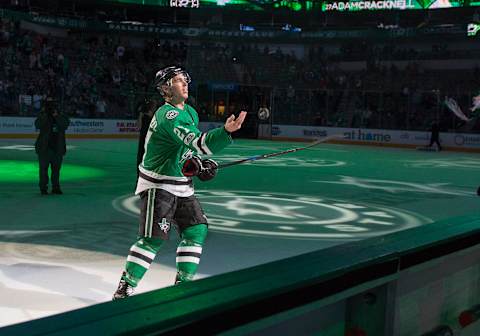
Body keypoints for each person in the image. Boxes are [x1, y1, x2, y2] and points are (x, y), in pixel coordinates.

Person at [113, 65, 247, 299]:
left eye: (186, 79)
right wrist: (225, 132)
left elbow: (187, 151)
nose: (185, 83)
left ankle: (183, 285)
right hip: (159, 184)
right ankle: (125, 287)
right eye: (178, 80)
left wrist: (198, 164)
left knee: (196, 229)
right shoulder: (168, 115)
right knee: (153, 238)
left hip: (180, 184)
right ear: (166, 88)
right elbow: (198, 143)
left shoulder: (190, 112)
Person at [34, 97, 70, 195]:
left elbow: (65, 125)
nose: (51, 107)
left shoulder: (60, 114)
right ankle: (43, 188)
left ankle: (56, 187)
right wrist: (44, 114)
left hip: (57, 148)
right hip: (44, 148)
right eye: (48, 104)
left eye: (52, 104)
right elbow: (37, 125)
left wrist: (57, 116)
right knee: (43, 170)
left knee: (56, 170)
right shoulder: (43, 114)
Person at [136, 96, 158, 179]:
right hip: (145, 139)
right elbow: (138, 127)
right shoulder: (144, 115)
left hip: (153, 139)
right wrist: (140, 116)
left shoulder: (156, 115)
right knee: (142, 157)